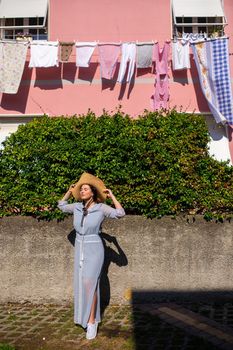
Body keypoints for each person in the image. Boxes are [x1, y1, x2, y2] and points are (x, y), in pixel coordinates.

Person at [58, 172, 125, 340]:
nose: (81, 191)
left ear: (92, 192)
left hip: (95, 248)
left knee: (90, 283)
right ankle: (86, 317)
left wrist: (112, 196)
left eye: (85, 189)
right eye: (80, 190)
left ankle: (92, 321)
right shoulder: (77, 207)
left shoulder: (101, 208)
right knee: (82, 284)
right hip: (80, 247)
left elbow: (120, 213)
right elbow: (61, 205)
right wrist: (69, 191)